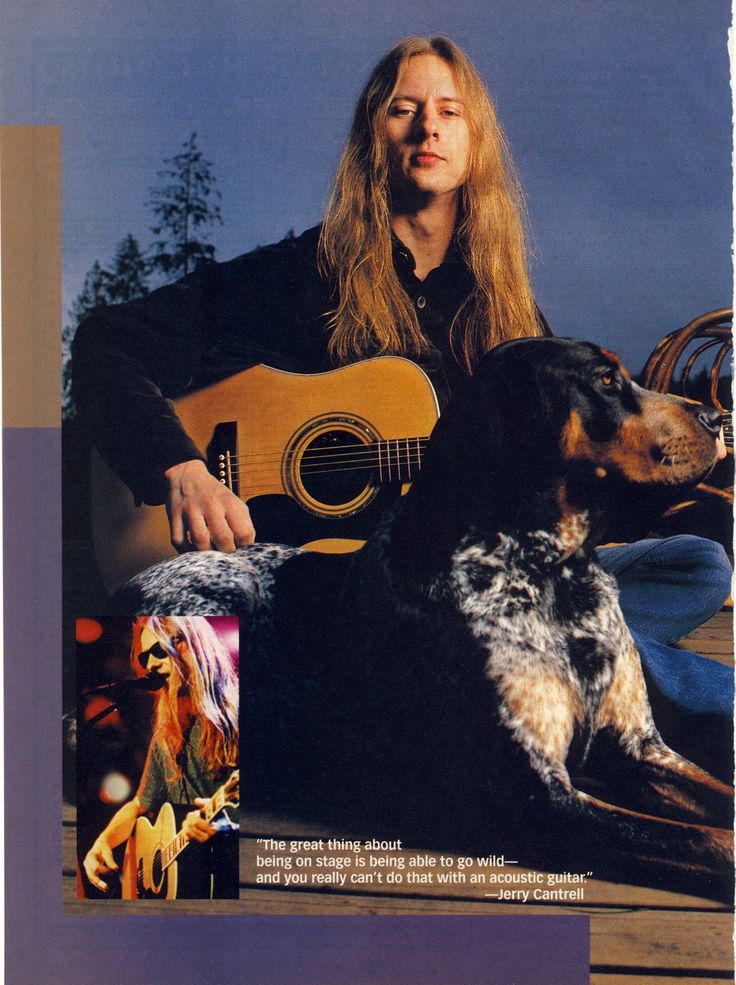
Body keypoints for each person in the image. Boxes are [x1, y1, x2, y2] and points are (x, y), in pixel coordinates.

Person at [72, 36, 732, 760]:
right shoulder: (300, 275)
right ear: (371, 136)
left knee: (696, 564)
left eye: (450, 110)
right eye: (403, 109)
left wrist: (669, 464)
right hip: (339, 595)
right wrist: (181, 466)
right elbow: (106, 341)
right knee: (158, 762)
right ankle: (680, 699)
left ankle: (536, 674)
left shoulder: (507, 312)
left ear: (475, 141)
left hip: (477, 590)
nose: (428, 128)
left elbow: (559, 480)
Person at [82, 616, 239, 898]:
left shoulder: (238, 721)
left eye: (159, 650)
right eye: (144, 656)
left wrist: (227, 827)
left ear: (193, 645)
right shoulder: (166, 735)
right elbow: (140, 805)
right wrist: (102, 841)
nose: (150, 664)